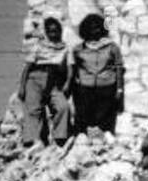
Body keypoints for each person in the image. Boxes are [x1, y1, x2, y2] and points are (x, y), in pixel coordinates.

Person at [67, 13, 124, 137]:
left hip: (107, 87)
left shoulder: (112, 47)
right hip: (85, 89)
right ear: (86, 30)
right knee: (84, 120)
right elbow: (74, 69)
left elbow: (119, 68)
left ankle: (105, 140)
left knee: (105, 122)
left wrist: (119, 89)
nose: (95, 31)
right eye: (91, 28)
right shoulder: (78, 49)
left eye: (97, 27)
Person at [17, 17, 70, 145]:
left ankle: (60, 137)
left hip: (53, 80)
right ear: (46, 32)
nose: (53, 34)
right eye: (50, 31)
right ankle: (32, 140)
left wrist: (66, 83)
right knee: (33, 110)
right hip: (35, 78)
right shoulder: (38, 46)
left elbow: (68, 68)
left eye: (56, 31)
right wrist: (22, 86)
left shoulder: (64, 48)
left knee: (62, 106)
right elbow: (27, 67)